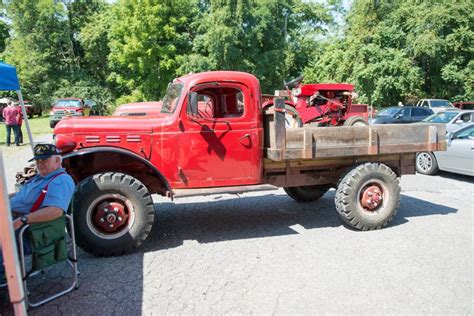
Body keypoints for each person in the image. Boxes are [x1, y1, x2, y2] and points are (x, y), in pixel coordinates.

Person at [0, 143, 75, 281]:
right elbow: (21, 198)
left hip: (30, 231)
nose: (40, 164)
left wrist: (22, 220)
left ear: (57, 161)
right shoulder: (41, 177)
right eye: (38, 160)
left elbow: (55, 211)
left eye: (44, 160)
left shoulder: (61, 180)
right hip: (12, 218)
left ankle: (5, 277)